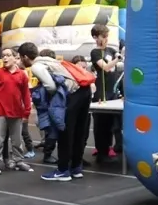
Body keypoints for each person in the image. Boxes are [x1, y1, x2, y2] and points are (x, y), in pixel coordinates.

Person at [19, 42, 91, 181]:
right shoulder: (49, 60)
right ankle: (76, 168)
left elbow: (51, 86)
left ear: (25, 57)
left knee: (65, 132)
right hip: (84, 91)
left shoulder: (36, 66)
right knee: (78, 132)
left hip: (72, 94)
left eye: (20, 58)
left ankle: (63, 170)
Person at [0, 49, 32, 173]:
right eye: (3, 56)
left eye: (8, 55)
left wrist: (27, 110)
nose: (5, 58)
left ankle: (18, 161)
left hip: (16, 111)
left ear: (15, 58)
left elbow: (26, 94)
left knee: (17, 140)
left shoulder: (22, 74)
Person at [89, 24, 122, 163]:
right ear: (95, 37)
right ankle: (101, 148)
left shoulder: (111, 50)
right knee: (100, 122)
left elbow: (117, 66)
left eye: (107, 36)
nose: (106, 39)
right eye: (103, 36)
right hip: (102, 91)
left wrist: (120, 56)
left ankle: (109, 146)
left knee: (112, 122)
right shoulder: (95, 52)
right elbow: (106, 68)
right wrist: (117, 59)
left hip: (112, 90)